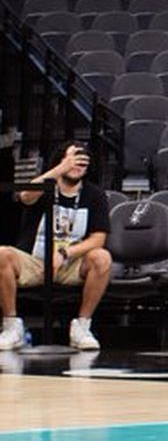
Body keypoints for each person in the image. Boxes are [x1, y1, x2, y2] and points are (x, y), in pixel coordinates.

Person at [0, 142, 111, 352]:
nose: (77, 165)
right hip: (35, 261)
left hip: (71, 264)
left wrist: (64, 253)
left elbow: (98, 239)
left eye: (82, 162)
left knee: (102, 257)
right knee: (2, 254)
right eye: (72, 159)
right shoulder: (46, 185)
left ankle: (82, 326)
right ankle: (11, 326)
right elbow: (25, 196)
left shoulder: (95, 195)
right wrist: (61, 168)